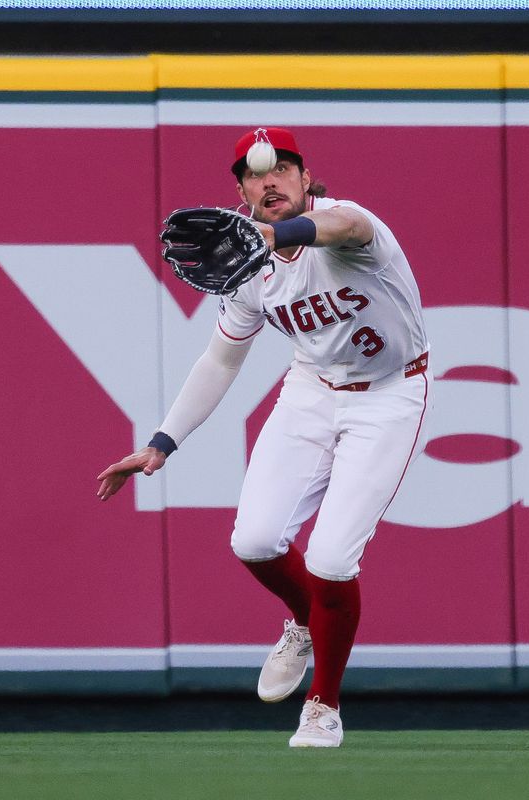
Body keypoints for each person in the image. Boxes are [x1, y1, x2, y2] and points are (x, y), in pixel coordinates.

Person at [97, 127, 431, 748]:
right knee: (253, 541)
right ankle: (306, 623)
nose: (268, 179)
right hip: (311, 389)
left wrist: (279, 234)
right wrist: (161, 443)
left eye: (283, 168)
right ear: (242, 192)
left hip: (389, 392)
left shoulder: (347, 226)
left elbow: (348, 227)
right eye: (254, 174)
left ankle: (323, 707)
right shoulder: (249, 268)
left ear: (307, 180)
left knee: (332, 560)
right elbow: (221, 361)